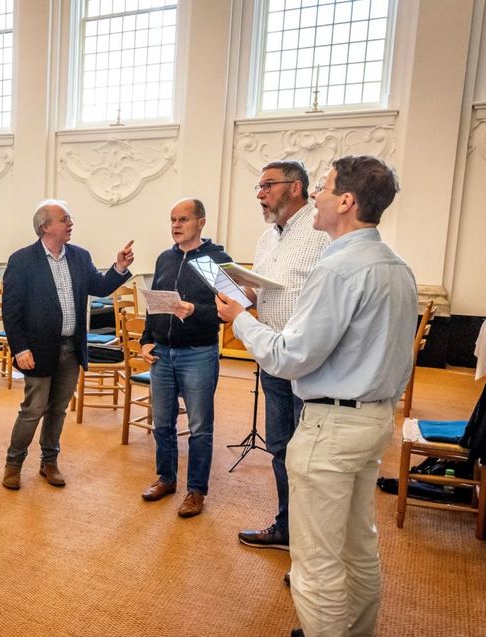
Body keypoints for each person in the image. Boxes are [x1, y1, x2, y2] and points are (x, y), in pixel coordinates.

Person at [216, 155, 417, 637]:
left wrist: (240, 320)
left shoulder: (337, 269)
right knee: (357, 546)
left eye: (324, 189)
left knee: (316, 562)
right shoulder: (397, 267)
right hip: (372, 418)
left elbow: (289, 357)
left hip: (332, 426)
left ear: (346, 201)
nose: (317, 197)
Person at [1, 199, 134, 490]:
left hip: (71, 348)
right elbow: (10, 310)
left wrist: (119, 267)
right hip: (36, 350)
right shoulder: (22, 260)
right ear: (46, 226)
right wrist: (20, 348)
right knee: (33, 409)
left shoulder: (79, 256)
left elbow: (99, 287)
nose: (70, 223)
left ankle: (49, 462)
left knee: (58, 409)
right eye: (65, 219)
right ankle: (13, 464)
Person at [237, 161, 329, 548]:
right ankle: (287, 527)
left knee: (309, 457)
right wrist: (241, 296)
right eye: (258, 187)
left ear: (296, 187)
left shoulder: (322, 234)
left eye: (267, 186)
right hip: (273, 359)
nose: (260, 194)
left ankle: (313, 540)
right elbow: (271, 292)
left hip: (310, 364)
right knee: (281, 447)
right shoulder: (266, 239)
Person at [138, 198, 231, 518]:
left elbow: (227, 311)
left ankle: (196, 491)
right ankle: (166, 478)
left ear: (201, 222)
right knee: (162, 424)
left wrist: (195, 311)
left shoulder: (214, 260)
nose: (176, 226)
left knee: (200, 427)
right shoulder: (165, 258)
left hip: (198, 354)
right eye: (172, 220)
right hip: (162, 353)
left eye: (183, 220)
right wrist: (146, 339)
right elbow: (156, 304)